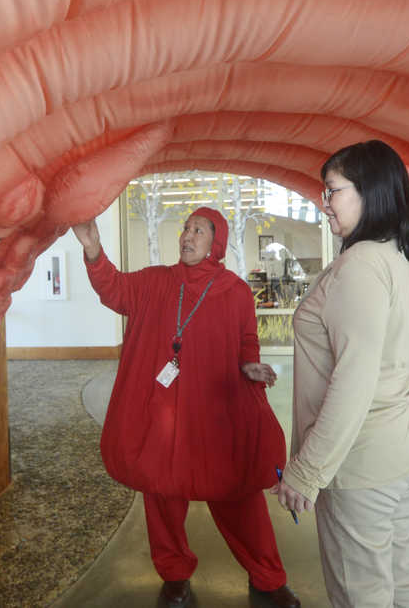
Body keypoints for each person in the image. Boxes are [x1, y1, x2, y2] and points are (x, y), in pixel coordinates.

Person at [72, 206, 301, 608]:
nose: (187, 236)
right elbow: (114, 289)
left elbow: (247, 339)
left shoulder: (236, 290)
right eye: (186, 229)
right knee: (162, 493)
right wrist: (93, 249)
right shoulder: (156, 281)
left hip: (217, 413)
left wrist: (251, 365)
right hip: (164, 415)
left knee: (238, 494)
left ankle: (268, 578)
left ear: (217, 243)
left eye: (198, 230)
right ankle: (174, 576)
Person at [272, 140, 409, 608]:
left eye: (333, 191)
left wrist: (307, 472)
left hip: (364, 459)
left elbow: (353, 382)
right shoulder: (397, 253)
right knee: (403, 578)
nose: (324, 204)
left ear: (371, 191)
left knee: (362, 593)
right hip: (402, 443)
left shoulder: (360, 266)